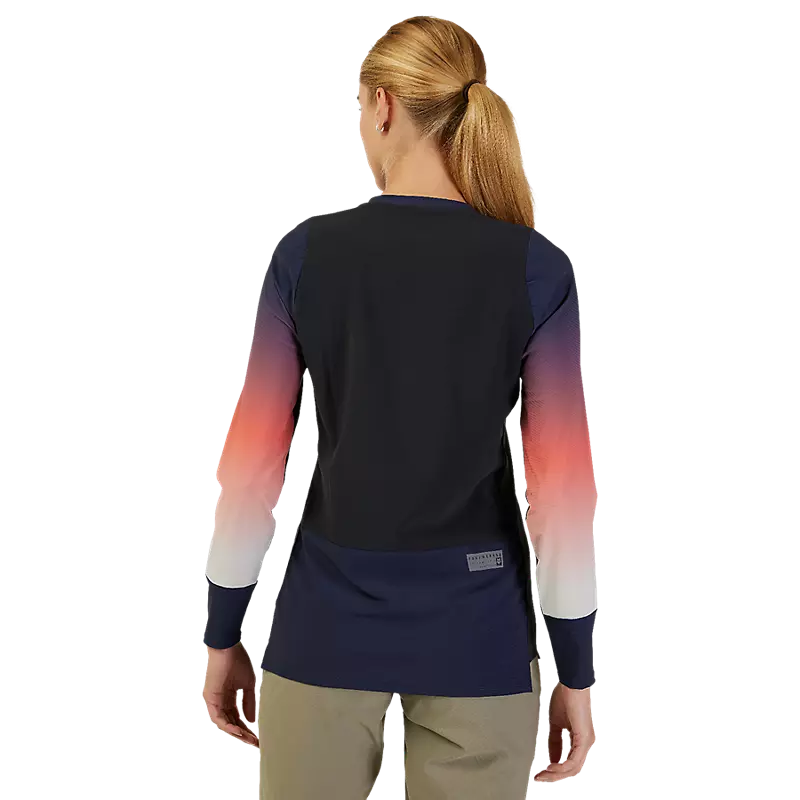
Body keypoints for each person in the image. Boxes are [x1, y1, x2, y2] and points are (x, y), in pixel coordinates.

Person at [201, 14, 599, 799]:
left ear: (383, 106)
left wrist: (222, 631)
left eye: (358, 109)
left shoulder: (306, 256)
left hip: (323, 628)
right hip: (480, 637)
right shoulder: (536, 269)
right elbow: (563, 496)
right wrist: (576, 670)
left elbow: (249, 473)